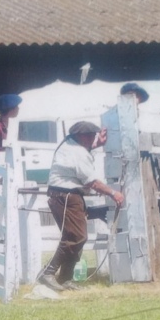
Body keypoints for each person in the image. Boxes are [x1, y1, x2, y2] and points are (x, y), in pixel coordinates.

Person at [37, 121, 125, 292]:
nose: (93, 138)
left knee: (77, 236)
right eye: (91, 136)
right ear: (82, 136)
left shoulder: (70, 145)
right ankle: (49, 272)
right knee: (76, 236)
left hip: (66, 195)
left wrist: (96, 145)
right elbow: (91, 181)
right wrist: (113, 193)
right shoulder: (77, 152)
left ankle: (65, 278)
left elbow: (79, 162)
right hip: (66, 196)